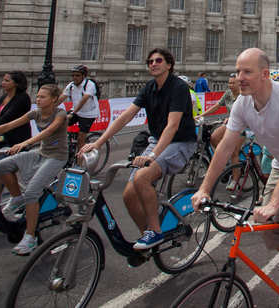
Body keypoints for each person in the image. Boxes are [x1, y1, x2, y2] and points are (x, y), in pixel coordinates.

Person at [192, 48, 279, 295]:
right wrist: (204, 187)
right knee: (270, 234)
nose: (239, 77)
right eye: (237, 71)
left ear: (266, 74)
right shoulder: (242, 103)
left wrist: (273, 204)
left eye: (247, 71)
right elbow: (225, 147)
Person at [80, 47, 196, 250]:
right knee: (129, 195)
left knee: (142, 177)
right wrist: (98, 142)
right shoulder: (149, 87)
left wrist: (152, 155)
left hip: (180, 142)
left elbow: (173, 126)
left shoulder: (178, 87)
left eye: (158, 60)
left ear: (169, 64)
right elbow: (125, 116)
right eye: (150, 61)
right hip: (158, 141)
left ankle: (155, 231)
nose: (153, 64)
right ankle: (148, 237)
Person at [0, 84, 68, 255]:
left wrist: (26, 143)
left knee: (32, 192)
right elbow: (7, 126)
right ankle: (17, 198)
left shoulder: (60, 114)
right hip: (41, 152)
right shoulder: (35, 113)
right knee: (2, 166)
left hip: (57, 156)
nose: (37, 99)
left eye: (42, 97)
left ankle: (30, 238)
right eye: (37, 96)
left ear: (54, 99)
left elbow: (49, 131)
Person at [203, 73, 245, 188]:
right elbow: (216, 106)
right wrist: (201, 115)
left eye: (233, 83)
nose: (231, 85)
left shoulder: (243, 96)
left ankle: (235, 181)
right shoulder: (227, 95)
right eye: (229, 83)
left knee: (234, 152)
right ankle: (225, 156)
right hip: (231, 123)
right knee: (213, 138)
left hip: (243, 126)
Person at [61, 65, 99, 154]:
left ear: (83, 76)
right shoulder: (71, 85)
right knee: (59, 121)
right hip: (77, 111)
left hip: (88, 114)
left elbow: (83, 101)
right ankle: (68, 142)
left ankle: (79, 162)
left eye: (77, 75)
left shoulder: (90, 85)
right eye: (73, 75)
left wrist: (73, 113)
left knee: (81, 138)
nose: (74, 77)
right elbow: (62, 98)